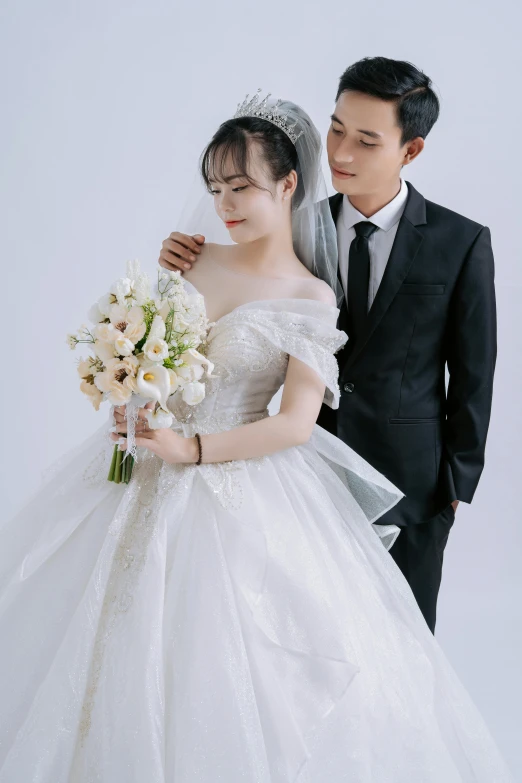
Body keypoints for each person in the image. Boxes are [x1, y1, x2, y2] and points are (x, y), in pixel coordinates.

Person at [0, 96, 512, 782]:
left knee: (232, 652)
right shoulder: (188, 260)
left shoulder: (311, 294)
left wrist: (194, 450)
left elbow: (296, 421)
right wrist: (125, 396)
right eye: (215, 188)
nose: (224, 204)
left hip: (234, 479)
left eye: (240, 187)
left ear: (288, 183)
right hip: (138, 464)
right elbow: (151, 358)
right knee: (102, 634)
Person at [159, 58, 497, 634]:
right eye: (336, 128)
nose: (340, 153)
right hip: (300, 476)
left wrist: (455, 488)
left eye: (366, 140)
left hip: (410, 484)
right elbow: (243, 286)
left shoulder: (459, 242)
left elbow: (473, 373)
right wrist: (184, 258)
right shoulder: (293, 225)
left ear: (409, 151)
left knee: (405, 650)